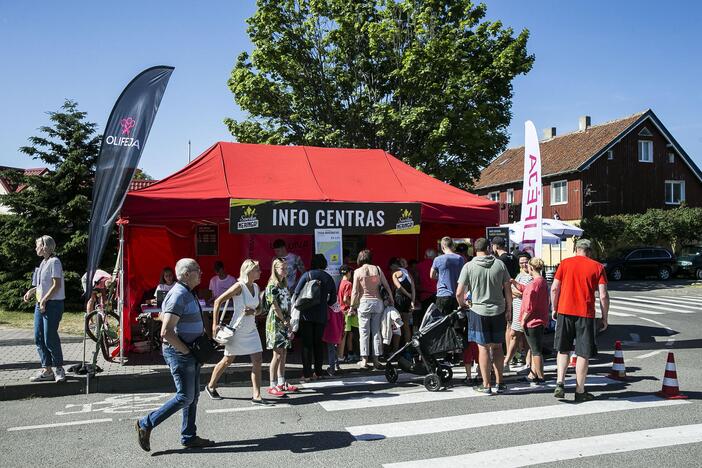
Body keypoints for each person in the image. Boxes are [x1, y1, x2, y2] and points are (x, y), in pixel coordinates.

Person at [136, 258, 214, 451]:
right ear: (187, 274)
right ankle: (146, 423)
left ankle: (189, 436)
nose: (201, 272)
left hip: (190, 352)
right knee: (185, 397)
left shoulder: (187, 292)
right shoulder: (178, 294)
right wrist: (187, 351)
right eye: (198, 270)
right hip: (181, 352)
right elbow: (166, 331)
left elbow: (166, 315)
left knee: (193, 396)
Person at [551, 239, 609, 402]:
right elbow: (603, 295)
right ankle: (580, 390)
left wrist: (554, 308)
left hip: (564, 310)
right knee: (583, 352)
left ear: (576, 249)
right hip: (585, 313)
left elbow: (554, 288)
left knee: (563, 349)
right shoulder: (598, 267)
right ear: (589, 251)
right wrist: (604, 317)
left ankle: (560, 383)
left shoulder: (565, 264)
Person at [456, 238, 512, 394]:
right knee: (498, 346)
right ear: (489, 248)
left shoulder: (469, 266)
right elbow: (507, 289)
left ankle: (486, 385)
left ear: (475, 249)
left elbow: (459, 292)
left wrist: (463, 305)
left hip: (478, 311)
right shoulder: (500, 264)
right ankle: (500, 383)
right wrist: (509, 308)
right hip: (499, 310)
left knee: (483, 348)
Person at [206, 259, 266, 404]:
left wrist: (254, 311)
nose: (260, 271)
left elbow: (259, 310)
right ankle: (211, 385)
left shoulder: (256, 287)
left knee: (258, 360)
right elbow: (217, 301)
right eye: (257, 269)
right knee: (227, 360)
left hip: (251, 329)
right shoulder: (239, 286)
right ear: (249, 271)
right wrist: (214, 324)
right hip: (237, 330)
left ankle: (256, 394)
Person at [22, 235, 66, 383]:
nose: (36, 248)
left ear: (45, 247)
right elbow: (42, 285)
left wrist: (45, 300)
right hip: (41, 303)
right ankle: (47, 370)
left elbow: (56, 285)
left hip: (52, 304)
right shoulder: (42, 263)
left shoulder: (55, 262)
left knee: (50, 337)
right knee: (38, 337)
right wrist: (32, 291)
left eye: (37, 245)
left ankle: (59, 368)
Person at [294, 254, 337, 381]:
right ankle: (318, 372)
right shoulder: (328, 278)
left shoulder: (307, 275)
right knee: (318, 344)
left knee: (307, 344)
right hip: (321, 315)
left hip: (306, 314)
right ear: (324, 263)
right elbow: (333, 300)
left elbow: (296, 292)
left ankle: (307, 374)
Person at [350, 249, 394, 370]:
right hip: (378, 303)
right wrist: (391, 298)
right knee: (376, 332)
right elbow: (386, 285)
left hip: (364, 303)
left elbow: (355, 291)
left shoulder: (357, 271)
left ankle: (364, 360)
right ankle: (376, 360)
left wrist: (352, 306)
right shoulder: (378, 269)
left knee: (364, 332)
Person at [264, 258, 298, 397]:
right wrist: (284, 320)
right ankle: (272, 384)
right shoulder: (272, 286)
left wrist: (289, 318)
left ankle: (281, 381)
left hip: (285, 320)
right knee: (277, 354)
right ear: (275, 269)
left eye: (286, 268)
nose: (285, 271)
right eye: (282, 268)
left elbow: (288, 303)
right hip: (275, 321)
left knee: (283, 353)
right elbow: (274, 306)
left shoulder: (284, 285)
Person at [515, 257, 550, 385]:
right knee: (535, 347)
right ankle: (533, 374)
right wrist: (514, 283)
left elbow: (529, 305)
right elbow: (526, 290)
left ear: (531, 267)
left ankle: (540, 376)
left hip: (532, 321)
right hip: (540, 319)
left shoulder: (534, 283)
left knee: (535, 350)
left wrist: (523, 319)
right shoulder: (541, 281)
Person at [504, 252, 533, 371]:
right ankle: (528, 363)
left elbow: (526, 293)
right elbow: (513, 290)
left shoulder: (532, 276)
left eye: (526, 262)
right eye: (521, 263)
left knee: (516, 335)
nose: (523, 265)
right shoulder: (519, 275)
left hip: (525, 310)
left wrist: (517, 292)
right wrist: (518, 293)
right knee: (520, 336)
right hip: (516, 308)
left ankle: (507, 362)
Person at [431, 237, 465, 316]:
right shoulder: (460, 258)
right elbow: (463, 276)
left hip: (443, 294)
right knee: (457, 323)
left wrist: (439, 277)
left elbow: (431, 275)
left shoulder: (437, 259)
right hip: (457, 294)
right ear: (452, 246)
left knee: (442, 323)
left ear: (442, 247)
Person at [389, 257, 415, 345]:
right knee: (406, 326)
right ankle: (408, 348)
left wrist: (408, 294)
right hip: (407, 301)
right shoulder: (408, 273)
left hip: (398, 300)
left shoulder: (395, 273)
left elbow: (398, 286)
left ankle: (396, 348)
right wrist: (412, 300)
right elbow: (413, 288)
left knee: (397, 325)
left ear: (394, 266)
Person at [336, 265, 358, 362]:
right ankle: (341, 356)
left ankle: (347, 353)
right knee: (346, 334)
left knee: (347, 333)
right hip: (347, 311)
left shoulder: (341, 283)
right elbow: (346, 299)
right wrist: (353, 306)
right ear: (348, 272)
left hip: (341, 311)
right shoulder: (349, 284)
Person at [416, 248, 437, 329]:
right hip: (436, 294)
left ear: (425, 256)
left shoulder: (419, 266)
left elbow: (416, 280)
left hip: (424, 295)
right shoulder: (436, 265)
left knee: (424, 317)